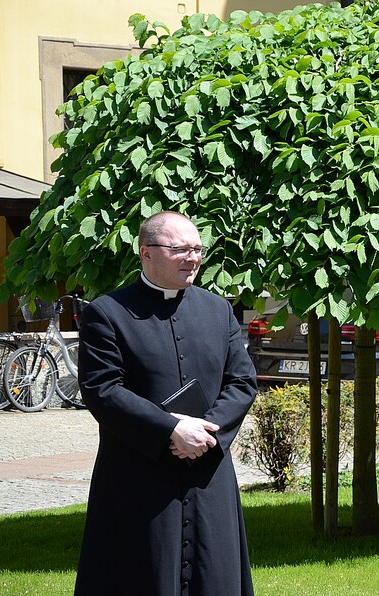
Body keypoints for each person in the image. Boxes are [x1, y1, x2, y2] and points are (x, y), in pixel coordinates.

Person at [75, 211, 257, 596]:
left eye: (197, 249)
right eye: (180, 249)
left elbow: (241, 381)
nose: (192, 258)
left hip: (209, 473)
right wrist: (170, 429)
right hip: (137, 479)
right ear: (146, 253)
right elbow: (102, 389)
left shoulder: (218, 309)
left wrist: (208, 433)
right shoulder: (106, 314)